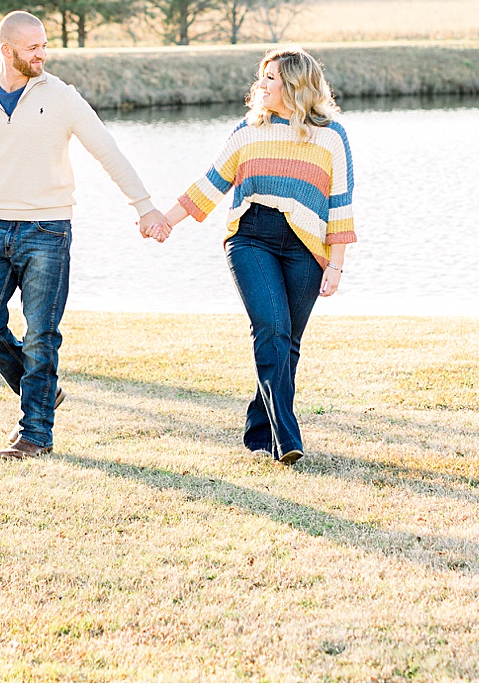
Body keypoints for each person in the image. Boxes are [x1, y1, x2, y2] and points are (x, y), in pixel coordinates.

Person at [0, 11, 168, 460]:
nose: (42, 54)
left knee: (42, 334)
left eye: (45, 45)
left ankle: (36, 435)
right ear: (6, 51)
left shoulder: (62, 97)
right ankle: (44, 393)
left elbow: (107, 149)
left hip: (49, 229)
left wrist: (144, 206)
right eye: (33, 48)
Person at [148, 47, 356, 465]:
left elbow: (340, 204)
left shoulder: (332, 135)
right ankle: (286, 436)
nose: (260, 84)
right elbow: (210, 185)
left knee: (288, 342)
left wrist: (336, 264)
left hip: (306, 247)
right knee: (272, 328)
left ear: (295, 85)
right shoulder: (248, 131)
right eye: (261, 76)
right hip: (251, 238)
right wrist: (164, 220)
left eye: (270, 78)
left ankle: (259, 430)